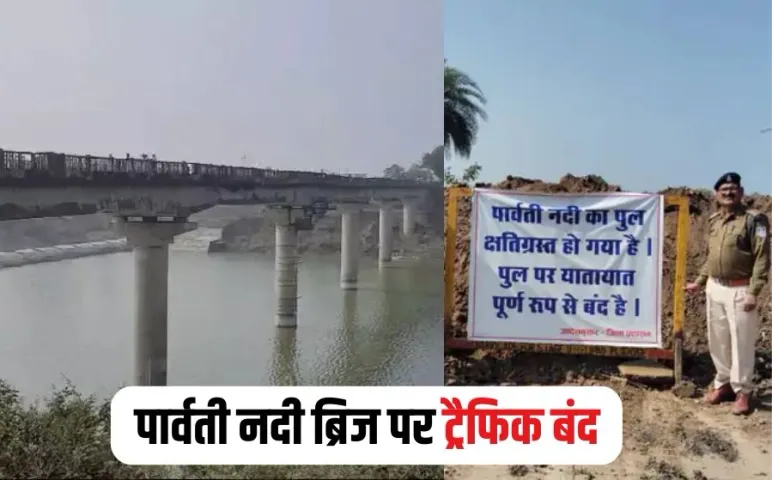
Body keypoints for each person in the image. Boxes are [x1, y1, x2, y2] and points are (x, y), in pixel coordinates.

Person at [685, 172, 769, 415]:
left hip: (740, 289)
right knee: (718, 340)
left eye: (733, 188)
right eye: (724, 190)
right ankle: (723, 384)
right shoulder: (714, 220)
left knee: (741, 343)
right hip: (715, 287)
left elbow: (762, 258)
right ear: (717, 194)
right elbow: (711, 257)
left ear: (741, 192)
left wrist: (754, 291)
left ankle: (743, 391)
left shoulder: (755, 220)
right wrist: (699, 282)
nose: (729, 193)